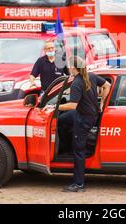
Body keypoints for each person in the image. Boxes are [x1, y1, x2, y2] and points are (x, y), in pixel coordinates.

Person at [51, 56, 111, 192]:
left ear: (73, 67)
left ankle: (78, 184)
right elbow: (107, 86)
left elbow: (72, 105)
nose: (68, 67)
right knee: (61, 121)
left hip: (83, 118)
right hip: (90, 114)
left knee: (79, 151)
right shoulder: (91, 76)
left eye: (69, 65)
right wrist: (101, 103)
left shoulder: (76, 83)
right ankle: (65, 146)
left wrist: (56, 107)